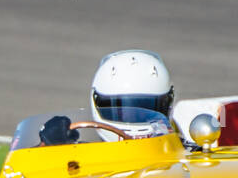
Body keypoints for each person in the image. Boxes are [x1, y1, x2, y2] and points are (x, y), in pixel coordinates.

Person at [38, 49, 177, 146]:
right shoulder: (80, 159)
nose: (132, 118)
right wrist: (49, 144)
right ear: (96, 102)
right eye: (121, 111)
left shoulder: (184, 153)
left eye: (146, 108)